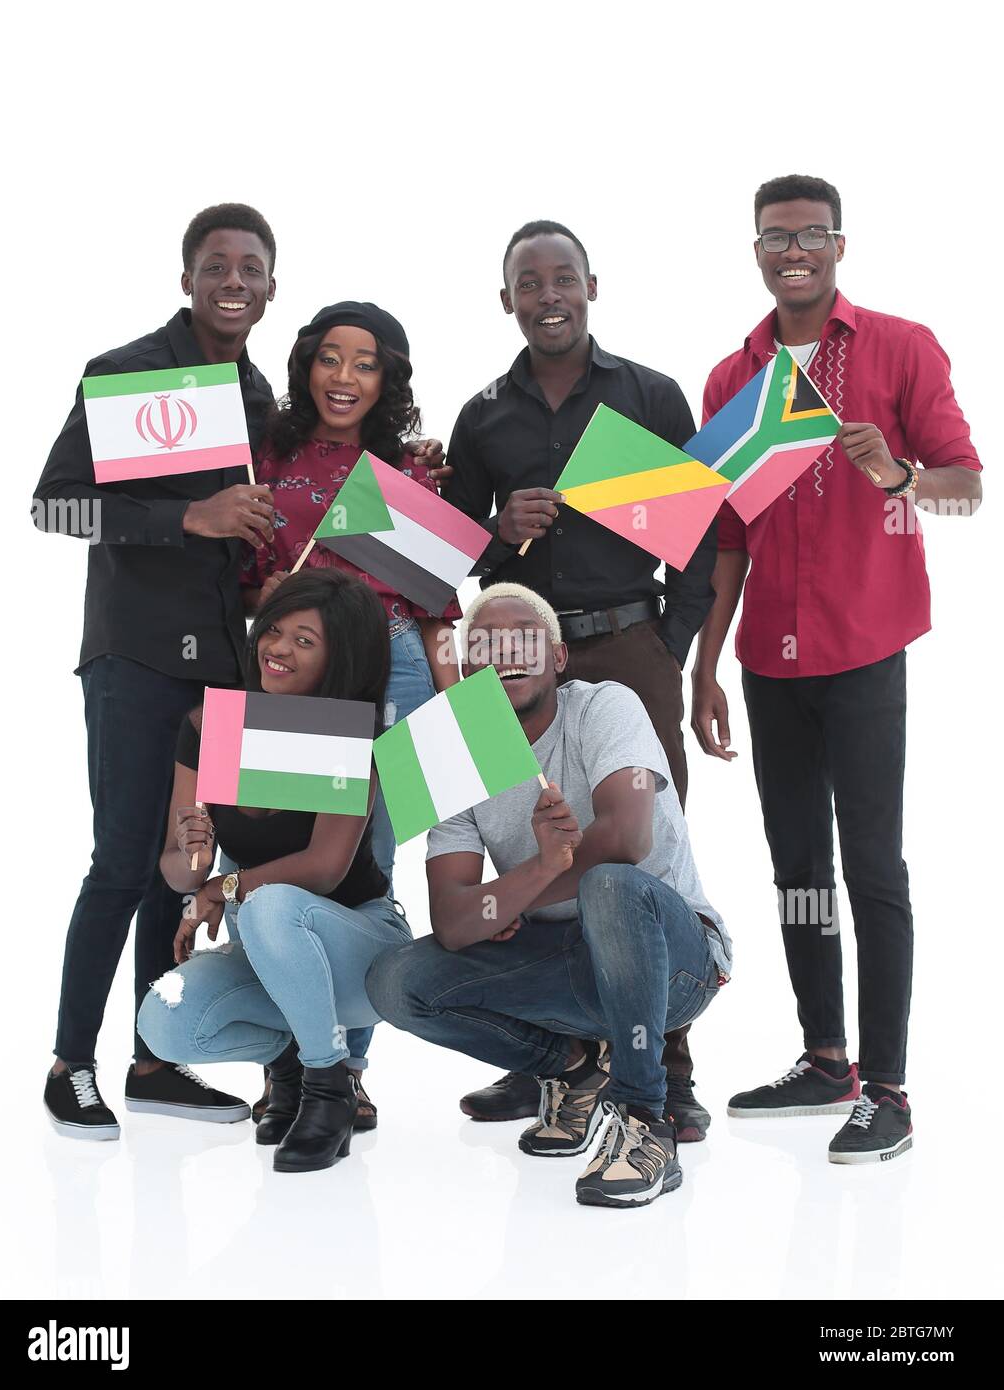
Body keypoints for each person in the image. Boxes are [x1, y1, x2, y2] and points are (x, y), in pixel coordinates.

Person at [690, 174, 982, 1163]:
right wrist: (704, 667)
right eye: (775, 237)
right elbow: (728, 537)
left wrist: (899, 474)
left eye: (811, 234)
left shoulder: (901, 347)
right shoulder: (734, 378)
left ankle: (888, 1087)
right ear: (757, 253)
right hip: (769, 658)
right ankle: (827, 1058)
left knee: (872, 865)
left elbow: (967, 489)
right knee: (799, 867)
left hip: (864, 649)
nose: (794, 251)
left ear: (839, 246)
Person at [439, 220, 716, 1138]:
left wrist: (668, 645)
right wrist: (496, 531)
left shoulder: (648, 395)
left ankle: (665, 1065)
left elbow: (698, 535)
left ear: (591, 287)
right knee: (522, 833)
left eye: (563, 278)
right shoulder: (483, 416)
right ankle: (549, 1055)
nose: (548, 295)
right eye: (530, 282)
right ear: (506, 299)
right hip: (514, 663)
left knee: (642, 848)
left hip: (628, 643)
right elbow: (450, 557)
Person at [34, 203, 281, 1140]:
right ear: (187, 279)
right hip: (133, 655)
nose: (233, 280)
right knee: (122, 859)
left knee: (182, 867)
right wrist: (187, 516)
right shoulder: (126, 373)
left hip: (222, 664)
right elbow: (53, 508)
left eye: (250, 267)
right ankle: (70, 1065)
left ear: (270, 288)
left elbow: (257, 533)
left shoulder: (259, 398)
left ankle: (153, 1062)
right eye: (216, 264)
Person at [366, 584, 731, 1209]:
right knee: (396, 981)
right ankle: (574, 1068)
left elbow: (628, 840)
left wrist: (511, 899)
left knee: (609, 885)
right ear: (467, 666)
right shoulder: (457, 755)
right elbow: (453, 920)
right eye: (486, 643)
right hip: (563, 960)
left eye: (525, 639)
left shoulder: (607, 706)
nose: (506, 652)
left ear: (558, 658)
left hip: (674, 962)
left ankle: (645, 1121)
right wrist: (536, 873)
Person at [239, 301, 458, 1127]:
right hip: (292, 666)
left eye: (365, 364)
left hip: (393, 662)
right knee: (279, 848)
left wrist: (453, 697)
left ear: (386, 379)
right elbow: (246, 576)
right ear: (306, 366)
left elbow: (438, 603)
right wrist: (266, 596)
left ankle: (346, 1067)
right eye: (330, 358)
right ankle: (286, 1062)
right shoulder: (268, 452)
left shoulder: (405, 468)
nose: (344, 377)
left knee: (368, 861)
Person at [138, 570, 412, 1174]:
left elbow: (324, 868)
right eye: (274, 630)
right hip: (272, 955)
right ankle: (288, 1064)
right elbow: (178, 872)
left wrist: (224, 886)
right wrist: (195, 857)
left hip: (360, 950)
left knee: (267, 901)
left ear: (340, 657)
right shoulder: (211, 727)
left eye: (304, 641)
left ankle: (330, 1089)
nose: (278, 648)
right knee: (164, 1020)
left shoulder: (350, 735)